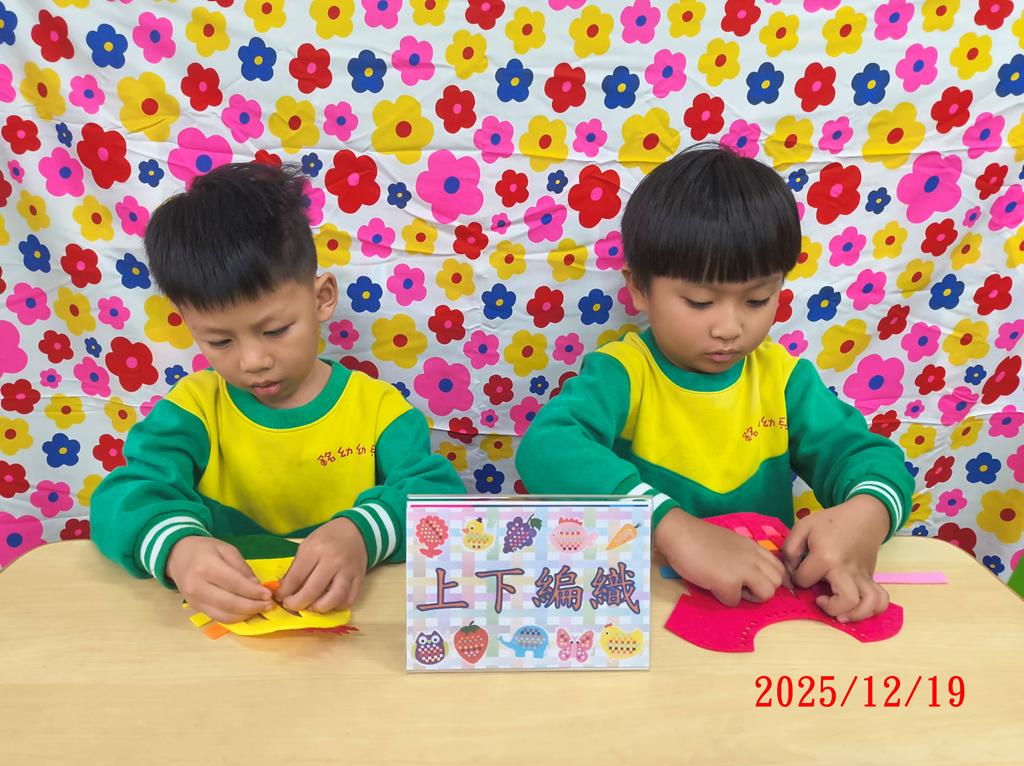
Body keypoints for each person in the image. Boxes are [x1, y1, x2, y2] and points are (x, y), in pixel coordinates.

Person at [516, 144, 914, 623]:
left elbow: (865, 456)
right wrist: (669, 526)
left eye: (757, 299)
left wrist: (869, 512)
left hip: (763, 606)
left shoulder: (783, 379)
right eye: (701, 302)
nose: (729, 328)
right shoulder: (624, 372)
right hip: (648, 608)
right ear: (639, 288)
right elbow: (547, 449)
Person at [92, 162, 464, 623]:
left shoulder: (379, 411)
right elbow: (121, 498)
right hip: (220, 636)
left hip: (354, 632)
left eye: (275, 330)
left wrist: (362, 534)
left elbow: (439, 499)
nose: (253, 361)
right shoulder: (192, 410)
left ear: (322, 298)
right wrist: (178, 549)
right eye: (219, 341)